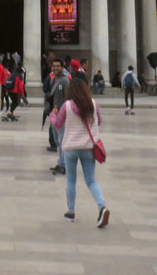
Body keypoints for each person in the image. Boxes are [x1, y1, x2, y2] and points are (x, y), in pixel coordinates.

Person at [49, 76, 109, 226]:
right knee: (91, 180)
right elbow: (99, 121)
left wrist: (52, 114)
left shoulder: (67, 106)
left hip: (70, 147)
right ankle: (102, 206)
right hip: (89, 147)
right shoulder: (93, 104)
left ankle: (71, 211)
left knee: (71, 180)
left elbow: (57, 125)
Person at [44, 59, 71, 174]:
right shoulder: (53, 80)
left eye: (58, 66)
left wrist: (62, 110)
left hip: (62, 115)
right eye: (54, 66)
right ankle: (61, 162)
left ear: (62, 67)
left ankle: (63, 165)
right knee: (56, 140)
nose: (55, 68)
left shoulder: (64, 81)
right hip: (53, 114)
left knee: (62, 140)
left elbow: (69, 97)